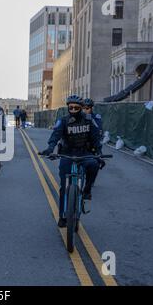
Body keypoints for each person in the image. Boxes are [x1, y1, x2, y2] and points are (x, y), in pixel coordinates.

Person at [39, 95, 101, 228]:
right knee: (63, 187)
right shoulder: (63, 120)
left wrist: (99, 152)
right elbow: (55, 135)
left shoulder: (89, 120)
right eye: (70, 107)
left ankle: (87, 190)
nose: (73, 109)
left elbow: (96, 137)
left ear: (81, 108)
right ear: (68, 107)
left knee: (94, 165)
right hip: (67, 153)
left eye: (76, 107)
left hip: (84, 153)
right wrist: (50, 148)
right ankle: (62, 215)